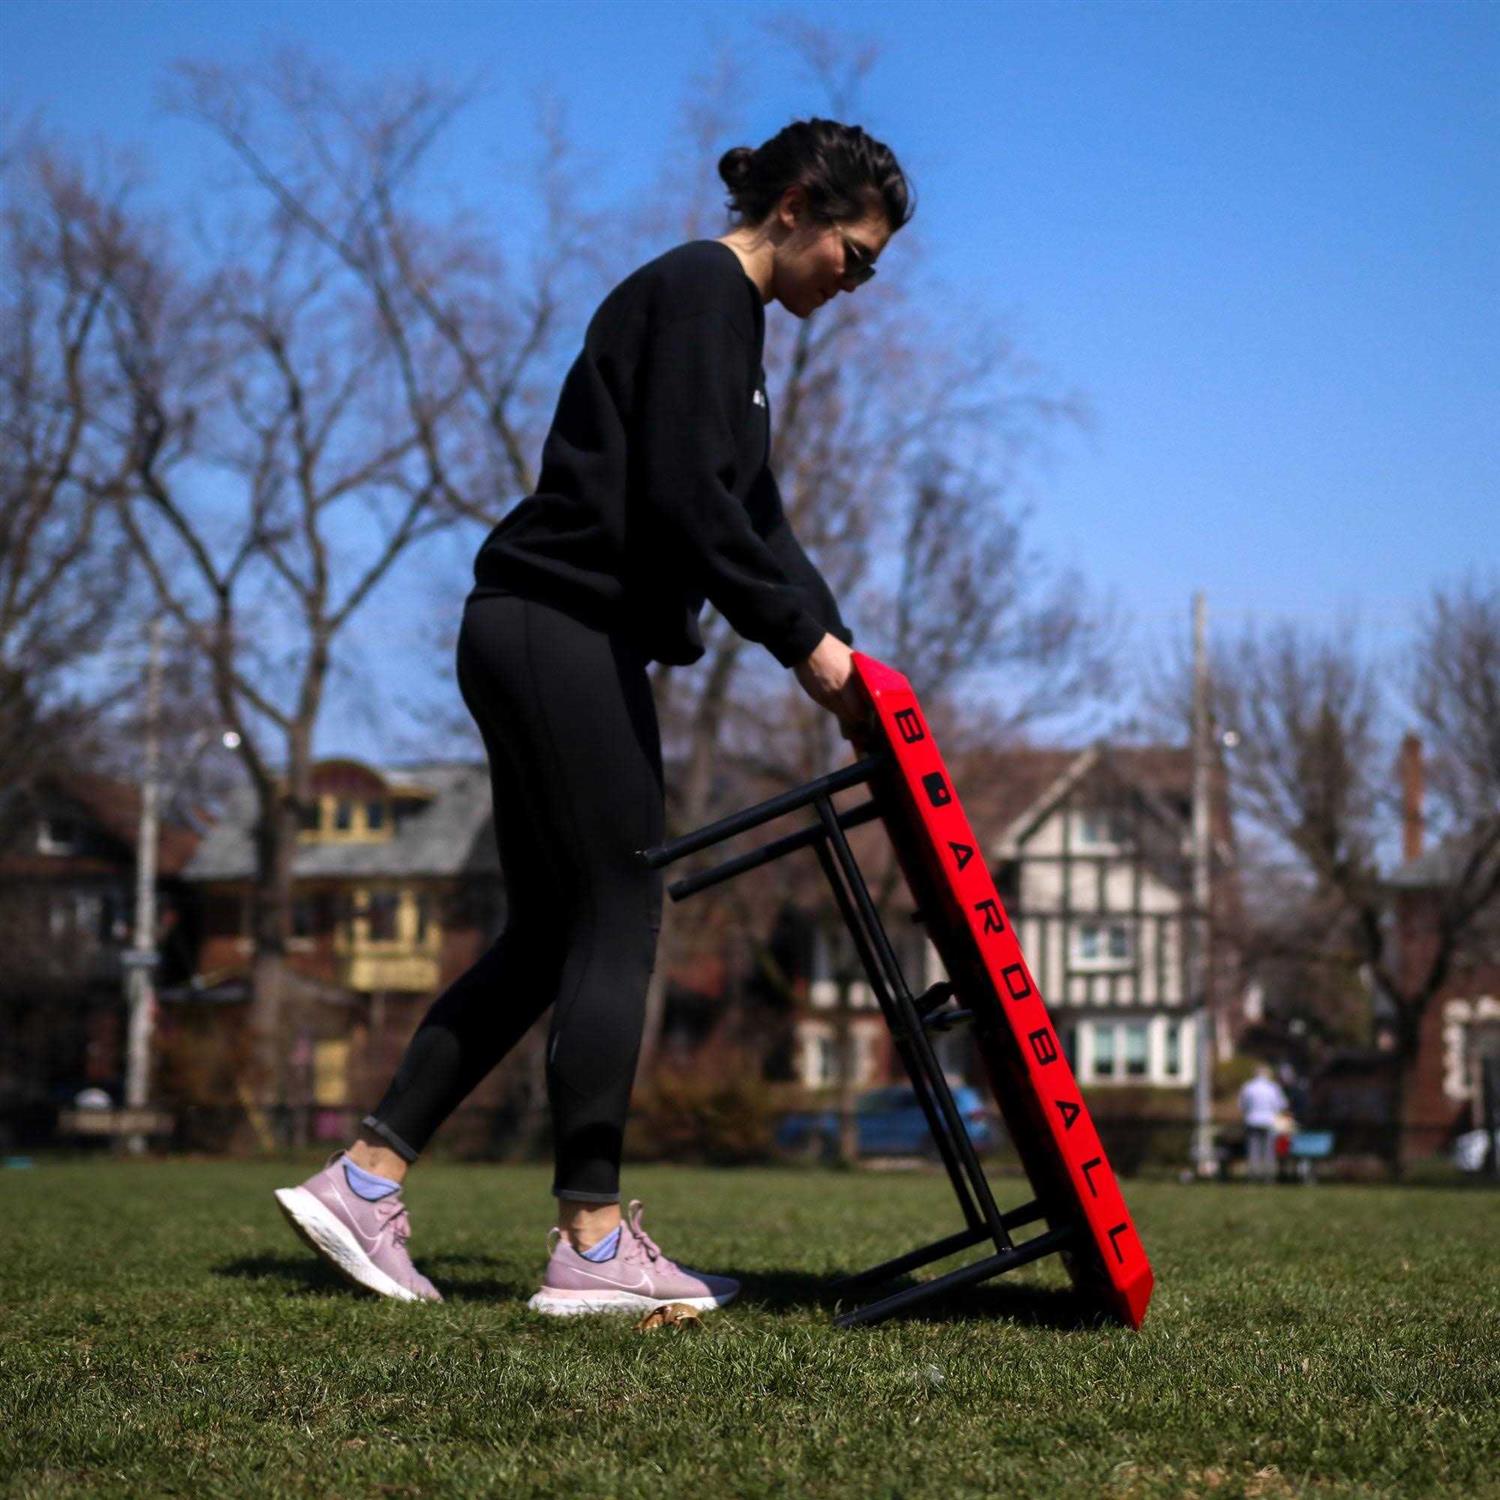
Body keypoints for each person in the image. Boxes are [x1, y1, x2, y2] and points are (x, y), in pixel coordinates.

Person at [274, 119, 915, 1314]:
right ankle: (593, 1243)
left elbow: (756, 517)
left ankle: (364, 1181)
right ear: (796, 209)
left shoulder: (732, 328)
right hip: (560, 629)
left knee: (546, 936)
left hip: (537, 629)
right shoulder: (703, 293)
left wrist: (845, 659)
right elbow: (686, 503)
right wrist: (802, 647)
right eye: (857, 255)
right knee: (623, 908)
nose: (858, 283)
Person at [1238, 1064, 1289, 1184]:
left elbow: (1242, 1105)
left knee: (1253, 1150)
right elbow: (1281, 1105)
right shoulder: (1273, 1087)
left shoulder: (1248, 1087)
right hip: (1268, 1121)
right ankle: (1268, 1176)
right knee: (1269, 1151)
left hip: (1252, 1120)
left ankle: (1253, 1176)